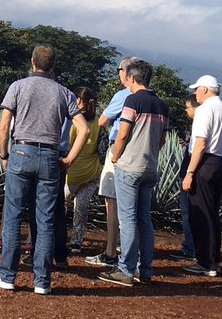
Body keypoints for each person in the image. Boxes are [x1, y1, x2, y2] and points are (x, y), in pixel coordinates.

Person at [0, 45, 91, 295]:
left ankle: (7, 275)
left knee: (13, 216)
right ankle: (42, 282)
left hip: (21, 153)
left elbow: (3, 127)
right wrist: (68, 160)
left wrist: (4, 156)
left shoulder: (18, 86)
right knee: (44, 220)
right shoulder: (64, 93)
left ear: (32, 61)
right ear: (53, 65)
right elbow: (84, 130)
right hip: (50, 156)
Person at [97, 60, 168, 287]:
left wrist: (116, 156)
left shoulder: (132, 100)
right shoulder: (161, 105)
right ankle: (145, 271)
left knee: (127, 219)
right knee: (144, 220)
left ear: (133, 78)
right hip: (150, 167)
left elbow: (123, 133)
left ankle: (125, 270)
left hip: (129, 167)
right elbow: (162, 140)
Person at [85, 56, 139, 268]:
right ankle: (135, 253)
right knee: (136, 206)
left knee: (112, 202)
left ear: (126, 73)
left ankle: (111, 252)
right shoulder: (151, 98)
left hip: (119, 148)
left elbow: (102, 120)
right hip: (141, 153)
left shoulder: (123, 95)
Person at [181, 75, 222, 277]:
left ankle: (205, 262)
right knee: (212, 213)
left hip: (205, 164)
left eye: (197, 89)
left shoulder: (205, 110)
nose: (195, 93)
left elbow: (200, 143)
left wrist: (190, 172)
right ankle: (212, 260)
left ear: (204, 89)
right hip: (219, 163)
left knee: (200, 214)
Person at [64, 87, 102, 255]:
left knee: (58, 205)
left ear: (78, 101)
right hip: (92, 172)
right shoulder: (98, 120)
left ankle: (56, 237)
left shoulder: (74, 120)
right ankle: (76, 242)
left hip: (72, 171)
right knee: (81, 209)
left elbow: (68, 146)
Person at [168, 95, 199, 262]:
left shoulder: (200, 124)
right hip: (191, 171)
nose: (186, 111)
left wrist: (189, 173)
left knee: (188, 212)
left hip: (190, 172)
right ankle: (192, 247)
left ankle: (190, 248)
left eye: (187, 107)